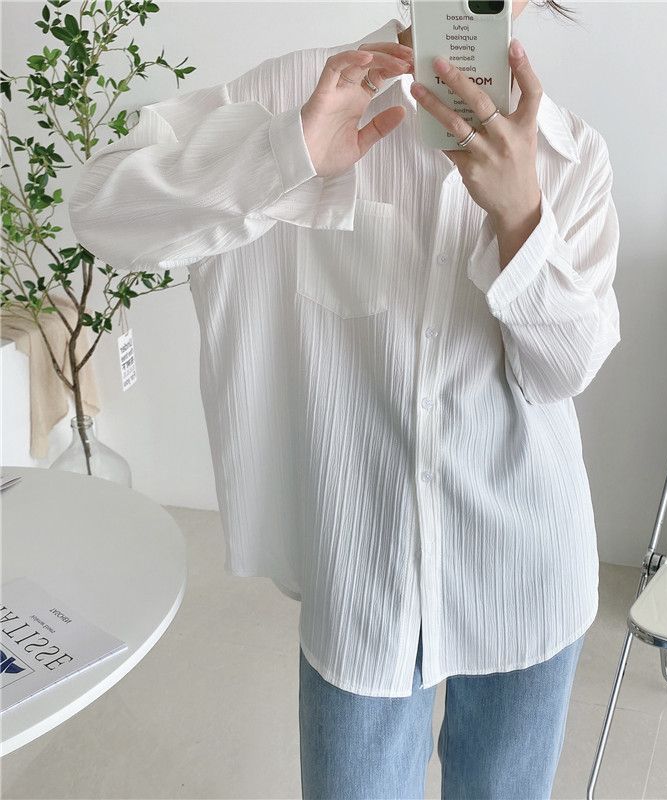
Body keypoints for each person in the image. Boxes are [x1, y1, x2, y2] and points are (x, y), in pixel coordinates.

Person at [68, 0, 620, 796]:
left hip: (529, 566)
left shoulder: (572, 154)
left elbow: (560, 373)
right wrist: (284, 156)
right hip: (362, 573)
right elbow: (100, 211)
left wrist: (521, 216)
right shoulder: (295, 94)